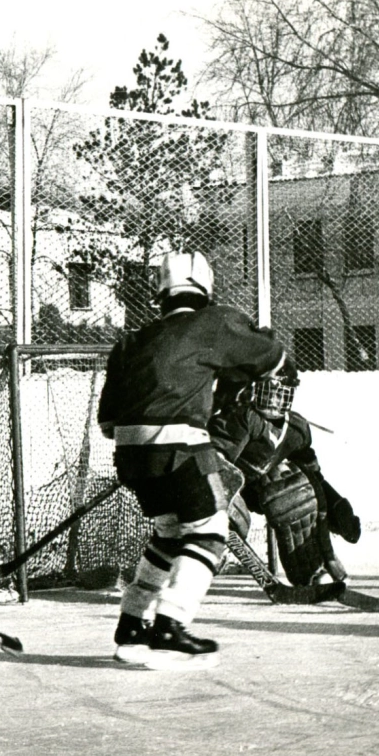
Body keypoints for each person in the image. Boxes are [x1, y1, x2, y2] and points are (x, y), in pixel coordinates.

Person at [97, 251, 285, 671]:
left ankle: (132, 622)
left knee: (169, 533)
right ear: (204, 287)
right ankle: (170, 625)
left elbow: (108, 422)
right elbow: (272, 356)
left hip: (130, 456)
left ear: (161, 293)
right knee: (209, 533)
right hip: (181, 448)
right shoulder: (214, 320)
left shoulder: (130, 341)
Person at [209, 360, 361, 587]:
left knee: (292, 490)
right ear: (253, 388)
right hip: (221, 485)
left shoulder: (297, 428)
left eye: (281, 394)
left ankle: (310, 571)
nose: (274, 400)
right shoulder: (241, 417)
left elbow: (312, 476)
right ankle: (204, 555)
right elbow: (214, 459)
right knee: (239, 515)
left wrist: (335, 503)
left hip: (257, 489)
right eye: (269, 391)